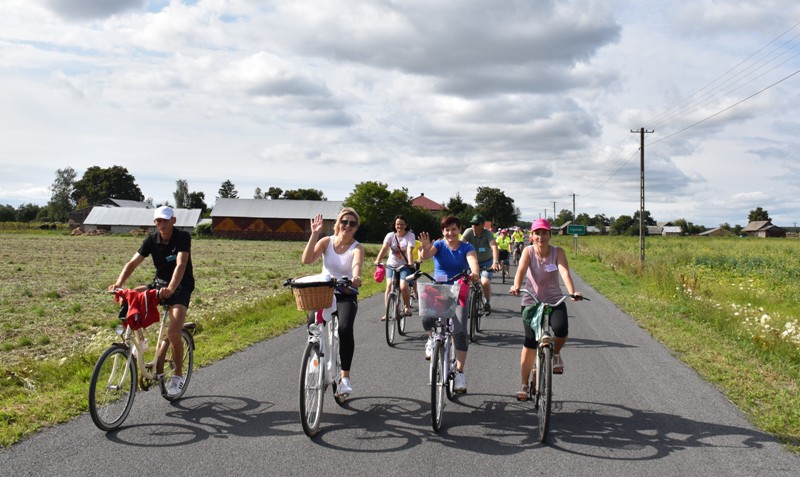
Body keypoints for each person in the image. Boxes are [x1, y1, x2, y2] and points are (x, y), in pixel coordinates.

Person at [109, 206, 195, 398]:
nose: (162, 224)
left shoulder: (182, 237)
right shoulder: (151, 239)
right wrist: (119, 284)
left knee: (173, 333)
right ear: (154, 222)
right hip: (159, 284)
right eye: (158, 221)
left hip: (180, 286)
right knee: (132, 295)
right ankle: (141, 341)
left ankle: (178, 375)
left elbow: (181, 264)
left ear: (173, 220)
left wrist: (171, 289)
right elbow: (132, 263)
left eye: (165, 220)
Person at [509, 218, 582, 401]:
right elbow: (521, 270)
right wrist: (516, 285)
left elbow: (564, 272)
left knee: (561, 330)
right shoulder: (528, 251)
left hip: (554, 300)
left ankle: (555, 353)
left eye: (544, 233)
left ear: (550, 235)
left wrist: (572, 292)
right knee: (529, 342)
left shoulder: (558, 252)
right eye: (537, 233)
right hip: (532, 301)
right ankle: (524, 384)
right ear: (531, 236)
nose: (540, 237)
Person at [301, 208, 364, 396]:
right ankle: (315, 359)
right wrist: (314, 234)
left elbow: (356, 264)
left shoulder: (357, 247)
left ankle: (345, 377)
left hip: (346, 292)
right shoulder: (326, 242)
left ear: (356, 228)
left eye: (352, 223)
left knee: (344, 328)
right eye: (344, 222)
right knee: (313, 324)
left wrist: (356, 277)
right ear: (338, 224)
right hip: (325, 292)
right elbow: (306, 260)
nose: (347, 226)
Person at [418, 215, 480, 393]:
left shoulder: (467, 247)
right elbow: (425, 257)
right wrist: (424, 248)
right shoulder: (439, 245)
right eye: (447, 230)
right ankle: (431, 339)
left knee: (460, 332)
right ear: (442, 231)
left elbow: (473, 262)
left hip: (458, 290)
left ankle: (459, 372)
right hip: (438, 290)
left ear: (459, 230)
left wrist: (474, 273)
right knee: (426, 319)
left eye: (454, 229)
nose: (450, 233)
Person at [374, 215, 415, 319]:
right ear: (394, 225)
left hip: (404, 266)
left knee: (403, 287)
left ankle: (407, 307)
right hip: (391, 265)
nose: (399, 226)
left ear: (406, 225)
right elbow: (384, 248)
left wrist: (410, 262)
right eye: (397, 224)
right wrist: (378, 260)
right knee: (389, 286)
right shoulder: (390, 235)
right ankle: (387, 312)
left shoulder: (410, 236)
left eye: (402, 224)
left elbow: (409, 250)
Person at [460, 214, 500, 314]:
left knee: (485, 282)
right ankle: (466, 303)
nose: (474, 226)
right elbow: (460, 245)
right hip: (472, 263)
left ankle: (487, 302)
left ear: (482, 225)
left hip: (486, 262)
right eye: (472, 224)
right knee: (466, 282)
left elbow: (494, 247)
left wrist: (495, 262)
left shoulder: (488, 233)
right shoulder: (468, 232)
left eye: (476, 224)